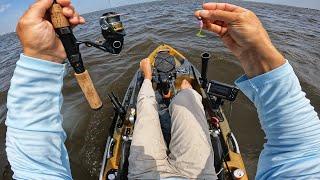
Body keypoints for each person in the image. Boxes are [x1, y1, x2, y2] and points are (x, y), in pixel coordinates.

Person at [5, 0, 320, 179]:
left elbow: (35, 168)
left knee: (146, 106)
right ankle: (181, 90)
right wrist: (258, 57)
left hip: (145, 174)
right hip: (203, 174)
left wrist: (42, 58)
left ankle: (147, 83)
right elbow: (302, 155)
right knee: (189, 96)